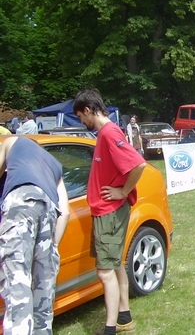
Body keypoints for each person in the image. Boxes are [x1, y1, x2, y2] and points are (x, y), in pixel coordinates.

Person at [73, 89, 146, 335]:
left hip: (110, 211)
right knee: (114, 265)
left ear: (88, 110)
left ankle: (110, 329)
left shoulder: (109, 133)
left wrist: (122, 192)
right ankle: (124, 317)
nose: (82, 123)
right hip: (105, 210)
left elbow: (138, 164)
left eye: (81, 117)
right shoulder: (106, 133)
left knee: (104, 271)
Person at [0, 136, 70, 334]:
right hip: (49, 211)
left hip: (20, 205)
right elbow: (64, 213)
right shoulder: (54, 166)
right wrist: (51, 248)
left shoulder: (13, 141)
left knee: (17, 283)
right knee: (43, 290)